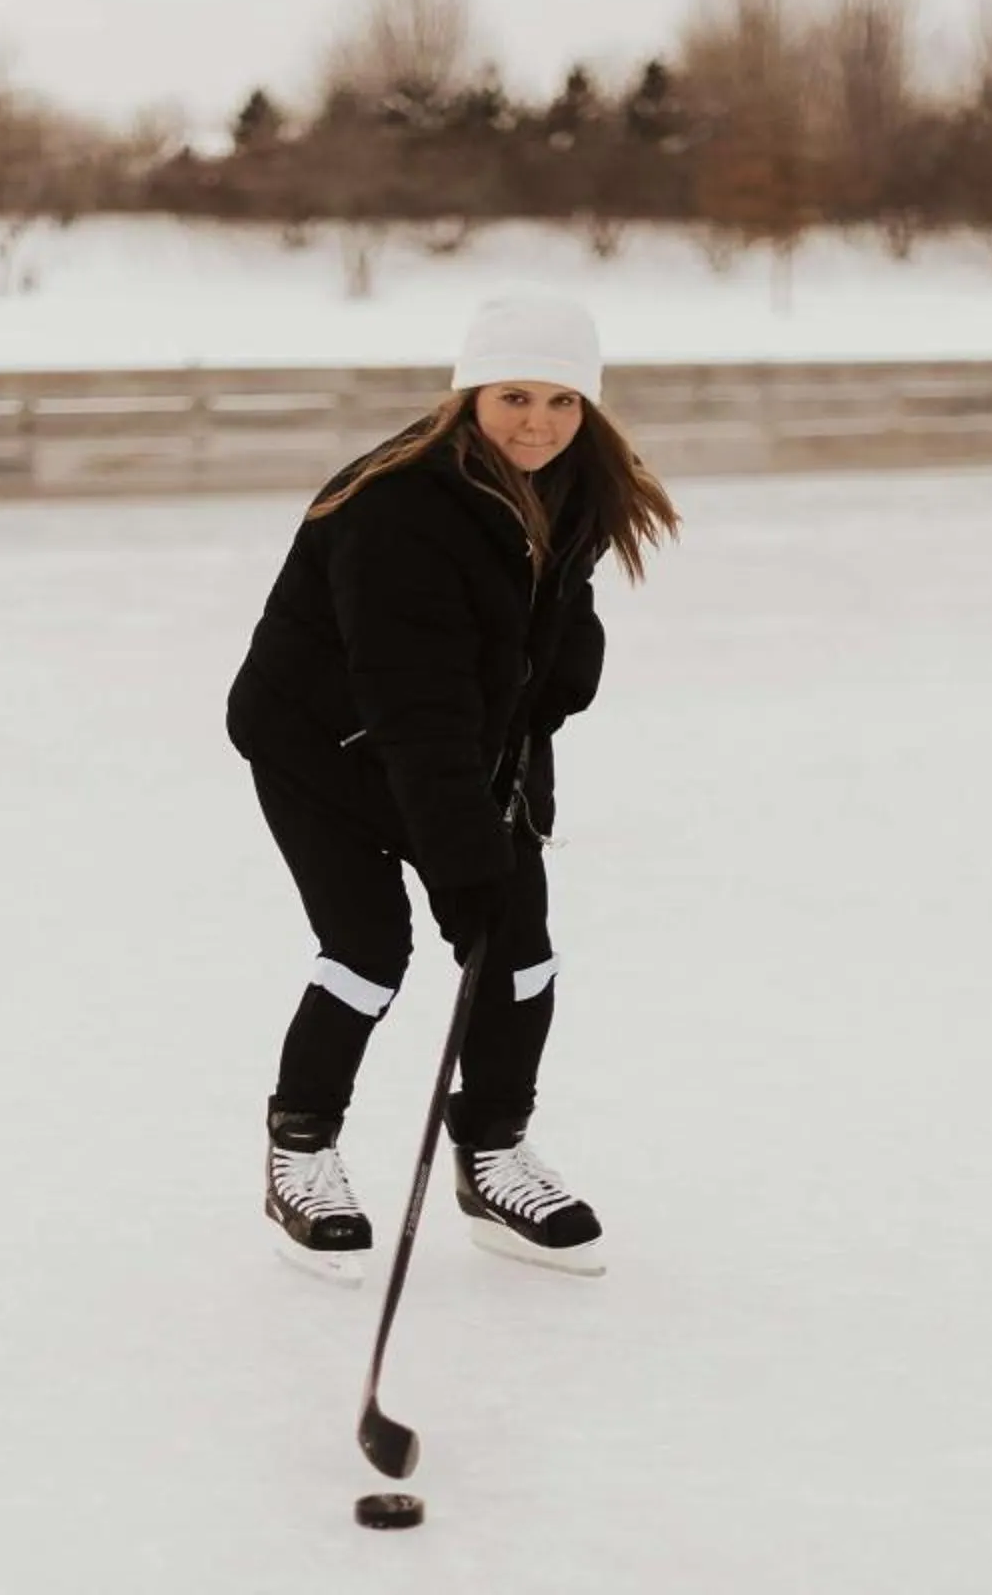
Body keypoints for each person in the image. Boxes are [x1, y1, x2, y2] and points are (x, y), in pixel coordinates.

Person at [224, 294, 680, 1279]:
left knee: (519, 952)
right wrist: (465, 856)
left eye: (563, 400)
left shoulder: (571, 486)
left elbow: (531, 640)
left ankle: (492, 1154)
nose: (537, 421)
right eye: (514, 394)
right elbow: (414, 703)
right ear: (469, 392)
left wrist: (552, 686)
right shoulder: (397, 510)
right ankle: (300, 1151)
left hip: (445, 742)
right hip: (320, 746)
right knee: (368, 947)